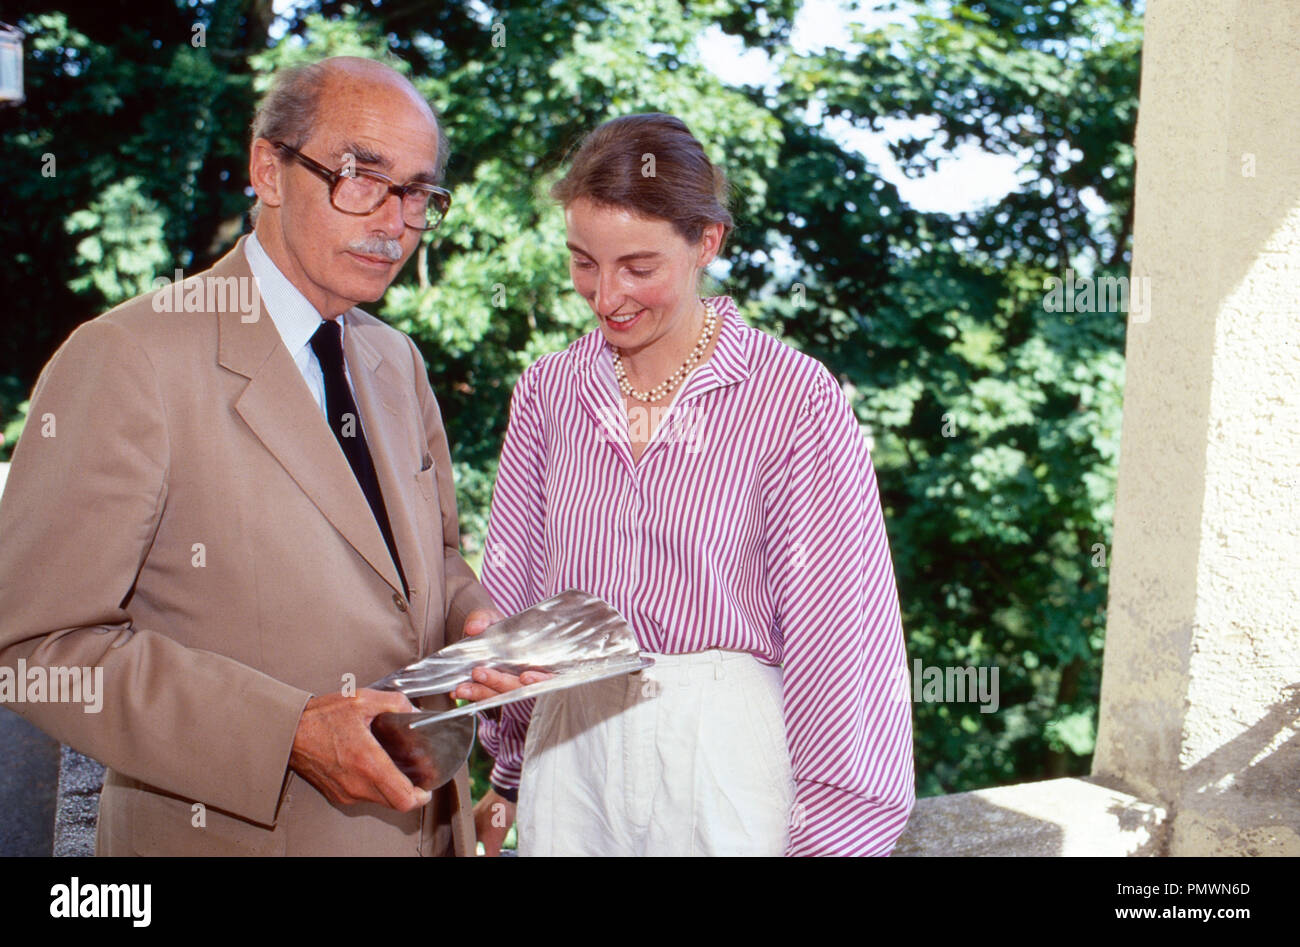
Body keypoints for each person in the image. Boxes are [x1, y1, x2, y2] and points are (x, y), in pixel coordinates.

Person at [0, 56, 503, 856]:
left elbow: (430, 565)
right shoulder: (128, 356)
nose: (394, 221)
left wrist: (476, 625)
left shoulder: (396, 361)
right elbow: (35, 650)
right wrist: (288, 733)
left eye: (417, 193)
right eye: (360, 178)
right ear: (268, 168)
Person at [461, 113, 915, 856]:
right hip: (568, 757)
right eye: (583, 262)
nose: (607, 296)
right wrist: (508, 775)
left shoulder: (793, 396)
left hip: (727, 761)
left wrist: (837, 837)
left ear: (708, 241)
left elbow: (840, 636)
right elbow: (516, 594)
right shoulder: (547, 390)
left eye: (639, 267)